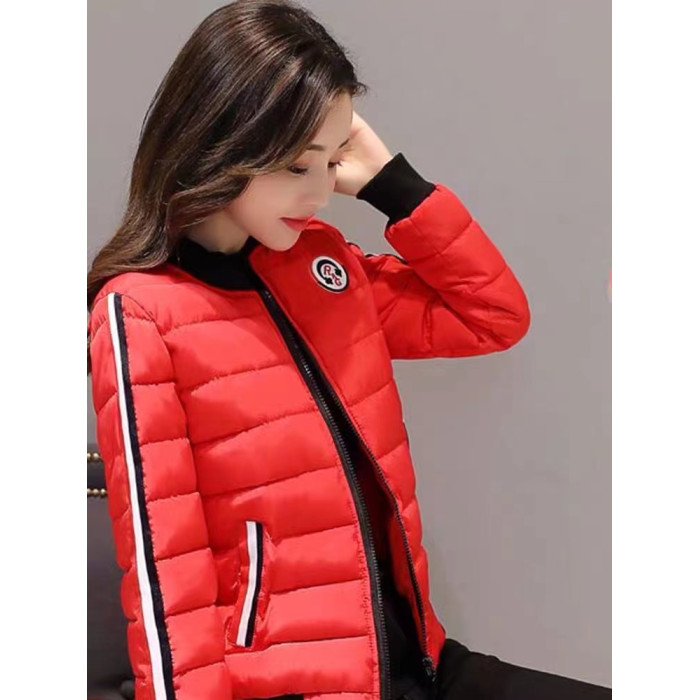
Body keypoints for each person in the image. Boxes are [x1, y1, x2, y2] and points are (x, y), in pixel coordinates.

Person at [87, 1, 610, 699]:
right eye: (297, 165)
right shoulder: (140, 312)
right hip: (290, 686)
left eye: (332, 162)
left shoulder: (321, 265)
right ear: (221, 147)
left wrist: (394, 185)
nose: (322, 194)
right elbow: (164, 579)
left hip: (413, 659)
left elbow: (492, 317)